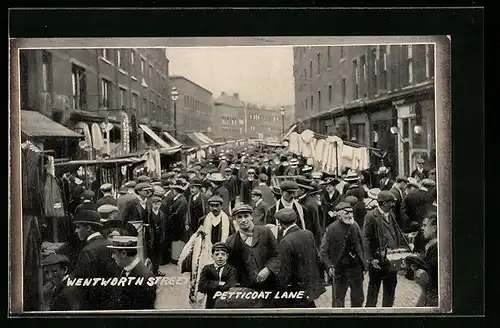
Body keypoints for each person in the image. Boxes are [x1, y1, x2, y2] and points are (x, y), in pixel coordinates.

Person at [178, 195, 235, 309]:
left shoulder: (228, 219)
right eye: (212, 206)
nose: (214, 208)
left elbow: (232, 236)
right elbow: (198, 238)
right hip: (207, 254)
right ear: (209, 206)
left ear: (221, 206)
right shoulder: (203, 220)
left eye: (217, 206)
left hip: (222, 254)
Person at [363, 191, 407, 307]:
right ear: (383, 203)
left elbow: (395, 232)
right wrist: (370, 259)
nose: (393, 204)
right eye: (390, 202)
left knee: (390, 289)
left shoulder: (391, 213)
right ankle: (369, 315)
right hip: (377, 261)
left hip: (391, 260)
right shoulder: (371, 216)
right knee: (373, 291)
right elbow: (366, 239)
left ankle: (387, 314)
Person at [274, 208, 326, 308]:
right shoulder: (308, 234)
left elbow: (285, 271)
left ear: (280, 223)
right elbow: (317, 258)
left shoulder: (285, 241)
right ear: (296, 220)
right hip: (309, 285)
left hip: (296, 290)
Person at [70, 210, 121, 310]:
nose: (76, 231)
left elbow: (84, 283)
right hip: (115, 300)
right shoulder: (111, 243)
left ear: (88, 228)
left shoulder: (87, 251)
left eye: (78, 227)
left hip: (95, 305)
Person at [226, 204, 279, 300]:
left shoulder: (265, 232)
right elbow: (232, 266)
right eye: (239, 217)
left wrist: (268, 269)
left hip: (270, 284)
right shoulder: (231, 241)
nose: (243, 220)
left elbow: (277, 255)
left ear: (251, 217)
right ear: (235, 220)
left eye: (246, 216)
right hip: (247, 288)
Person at [320, 202, 367, 308]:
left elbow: (362, 244)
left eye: (351, 213)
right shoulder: (331, 229)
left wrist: (364, 263)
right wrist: (328, 266)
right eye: (347, 213)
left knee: (358, 297)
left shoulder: (355, 225)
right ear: (339, 215)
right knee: (338, 298)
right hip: (340, 268)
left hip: (356, 267)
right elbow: (323, 251)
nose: (350, 216)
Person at [107, 235, 157, 309]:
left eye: (114, 253)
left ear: (123, 254)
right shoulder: (125, 270)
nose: (112, 256)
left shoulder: (146, 277)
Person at [198, 242, 239, 309]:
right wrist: (219, 283)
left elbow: (231, 286)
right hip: (211, 303)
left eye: (223, 254)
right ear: (212, 256)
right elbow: (201, 286)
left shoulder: (232, 270)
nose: (220, 257)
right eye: (217, 254)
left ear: (227, 256)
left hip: (227, 303)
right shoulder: (207, 269)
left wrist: (210, 284)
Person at [166, 181, 189, 264]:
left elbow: (178, 213)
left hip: (178, 224)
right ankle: (176, 257)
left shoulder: (182, 200)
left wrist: (170, 217)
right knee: (176, 241)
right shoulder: (179, 199)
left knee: (178, 241)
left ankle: (177, 258)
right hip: (176, 224)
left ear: (176, 191)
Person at [149, 196, 167, 276]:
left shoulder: (162, 214)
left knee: (158, 253)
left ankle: (156, 270)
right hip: (151, 236)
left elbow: (163, 226)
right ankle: (151, 271)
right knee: (152, 254)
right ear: (152, 204)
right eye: (155, 204)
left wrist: (163, 236)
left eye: (159, 204)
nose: (157, 206)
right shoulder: (149, 214)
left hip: (159, 236)